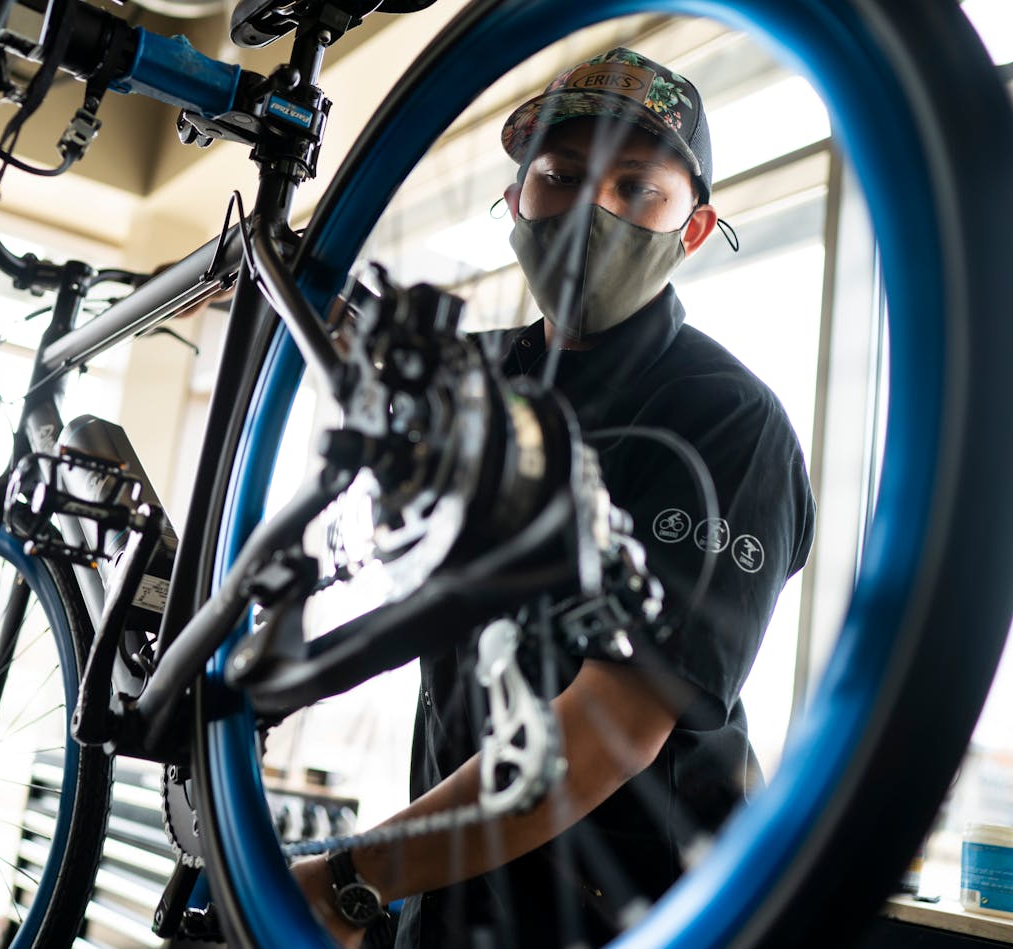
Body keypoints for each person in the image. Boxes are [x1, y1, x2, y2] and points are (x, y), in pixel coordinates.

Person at [293, 47, 816, 948]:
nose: (590, 212)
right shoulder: (480, 377)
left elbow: (612, 727)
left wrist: (356, 874)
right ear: (514, 201)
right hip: (454, 894)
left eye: (636, 188)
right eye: (560, 176)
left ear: (693, 230)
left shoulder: (728, 422)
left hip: (647, 911)